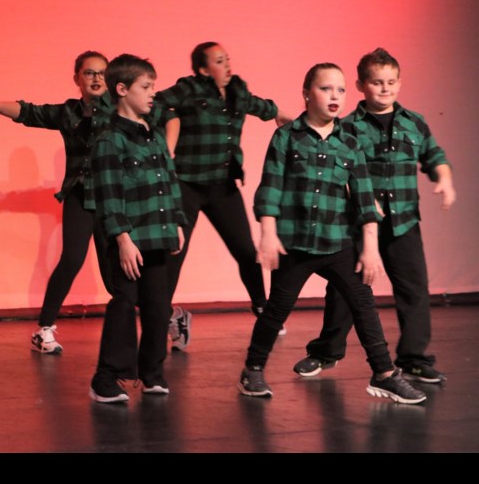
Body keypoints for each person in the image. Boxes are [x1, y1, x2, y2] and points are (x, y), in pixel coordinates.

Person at [238, 62, 425, 404]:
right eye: (326, 89)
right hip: (296, 244)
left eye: (340, 90)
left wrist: (369, 248)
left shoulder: (350, 142)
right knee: (277, 309)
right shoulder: (286, 136)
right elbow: (270, 189)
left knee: (364, 305)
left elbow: (365, 199)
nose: (335, 96)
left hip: (339, 241)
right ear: (307, 94)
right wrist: (268, 234)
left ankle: (384, 374)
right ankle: (253, 368)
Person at [294, 48, 455, 383]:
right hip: (357, 225)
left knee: (413, 289)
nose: (385, 89)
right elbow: (339, 171)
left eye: (391, 82)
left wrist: (444, 178)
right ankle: (326, 352)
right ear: (360, 85)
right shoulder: (347, 127)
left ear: (400, 82)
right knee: (345, 290)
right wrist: (360, 200)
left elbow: (434, 154)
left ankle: (414, 358)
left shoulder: (414, 122)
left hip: (404, 221)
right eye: (377, 82)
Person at [0, 51, 114, 354]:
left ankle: (167, 317)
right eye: (89, 73)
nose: (97, 78)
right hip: (80, 196)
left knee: (115, 276)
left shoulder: (120, 111)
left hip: (114, 200)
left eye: (102, 73)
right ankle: (44, 329)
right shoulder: (69, 112)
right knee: (72, 258)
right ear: (77, 78)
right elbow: (30, 112)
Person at [154, 43, 293, 350]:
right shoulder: (189, 89)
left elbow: (260, 106)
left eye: (227, 59)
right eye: (219, 61)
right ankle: (165, 317)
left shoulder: (237, 93)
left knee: (245, 251)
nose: (227, 64)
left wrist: (283, 116)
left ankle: (262, 307)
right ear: (203, 70)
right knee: (174, 254)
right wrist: (167, 126)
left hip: (222, 186)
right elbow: (156, 103)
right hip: (187, 184)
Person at [88, 54, 185, 403]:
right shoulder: (110, 140)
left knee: (158, 305)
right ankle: (106, 376)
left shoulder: (154, 135)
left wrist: (176, 221)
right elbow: (109, 195)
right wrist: (123, 239)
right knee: (125, 303)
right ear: (122, 89)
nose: (152, 94)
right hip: (130, 239)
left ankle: (152, 373)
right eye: (146, 87)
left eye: (153, 87)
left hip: (159, 234)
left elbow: (169, 182)